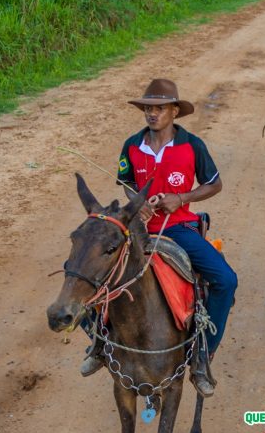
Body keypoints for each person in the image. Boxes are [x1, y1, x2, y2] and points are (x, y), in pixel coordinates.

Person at [81, 79, 238, 398]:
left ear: (174, 111)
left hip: (179, 228)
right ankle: (98, 343)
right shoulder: (132, 145)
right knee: (86, 268)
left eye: (159, 108)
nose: (152, 114)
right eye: (148, 108)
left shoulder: (193, 146)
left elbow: (214, 184)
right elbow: (125, 182)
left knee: (226, 280)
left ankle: (201, 358)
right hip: (137, 231)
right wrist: (136, 206)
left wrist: (181, 198)